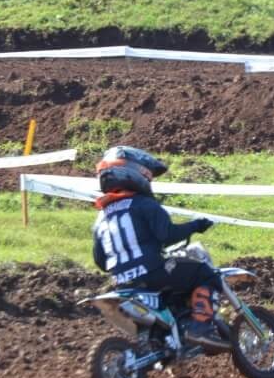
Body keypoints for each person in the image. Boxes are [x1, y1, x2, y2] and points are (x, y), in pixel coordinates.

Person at [91, 146, 225, 348]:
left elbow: (100, 260)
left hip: (122, 282)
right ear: (137, 173)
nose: (150, 181)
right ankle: (200, 328)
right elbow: (167, 235)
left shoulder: (102, 216)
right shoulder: (145, 204)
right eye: (149, 177)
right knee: (205, 274)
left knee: (171, 293)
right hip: (153, 272)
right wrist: (196, 226)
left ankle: (164, 339)